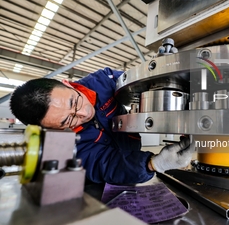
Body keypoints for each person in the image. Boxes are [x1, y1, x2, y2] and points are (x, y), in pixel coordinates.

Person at [10, 67, 193, 184]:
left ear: (67, 84)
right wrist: (154, 164)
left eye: (74, 102)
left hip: (131, 146)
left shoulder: (103, 81)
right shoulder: (69, 147)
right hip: (119, 177)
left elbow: (145, 84)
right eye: (68, 121)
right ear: (53, 129)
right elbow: (106, 164)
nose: (83, 113)